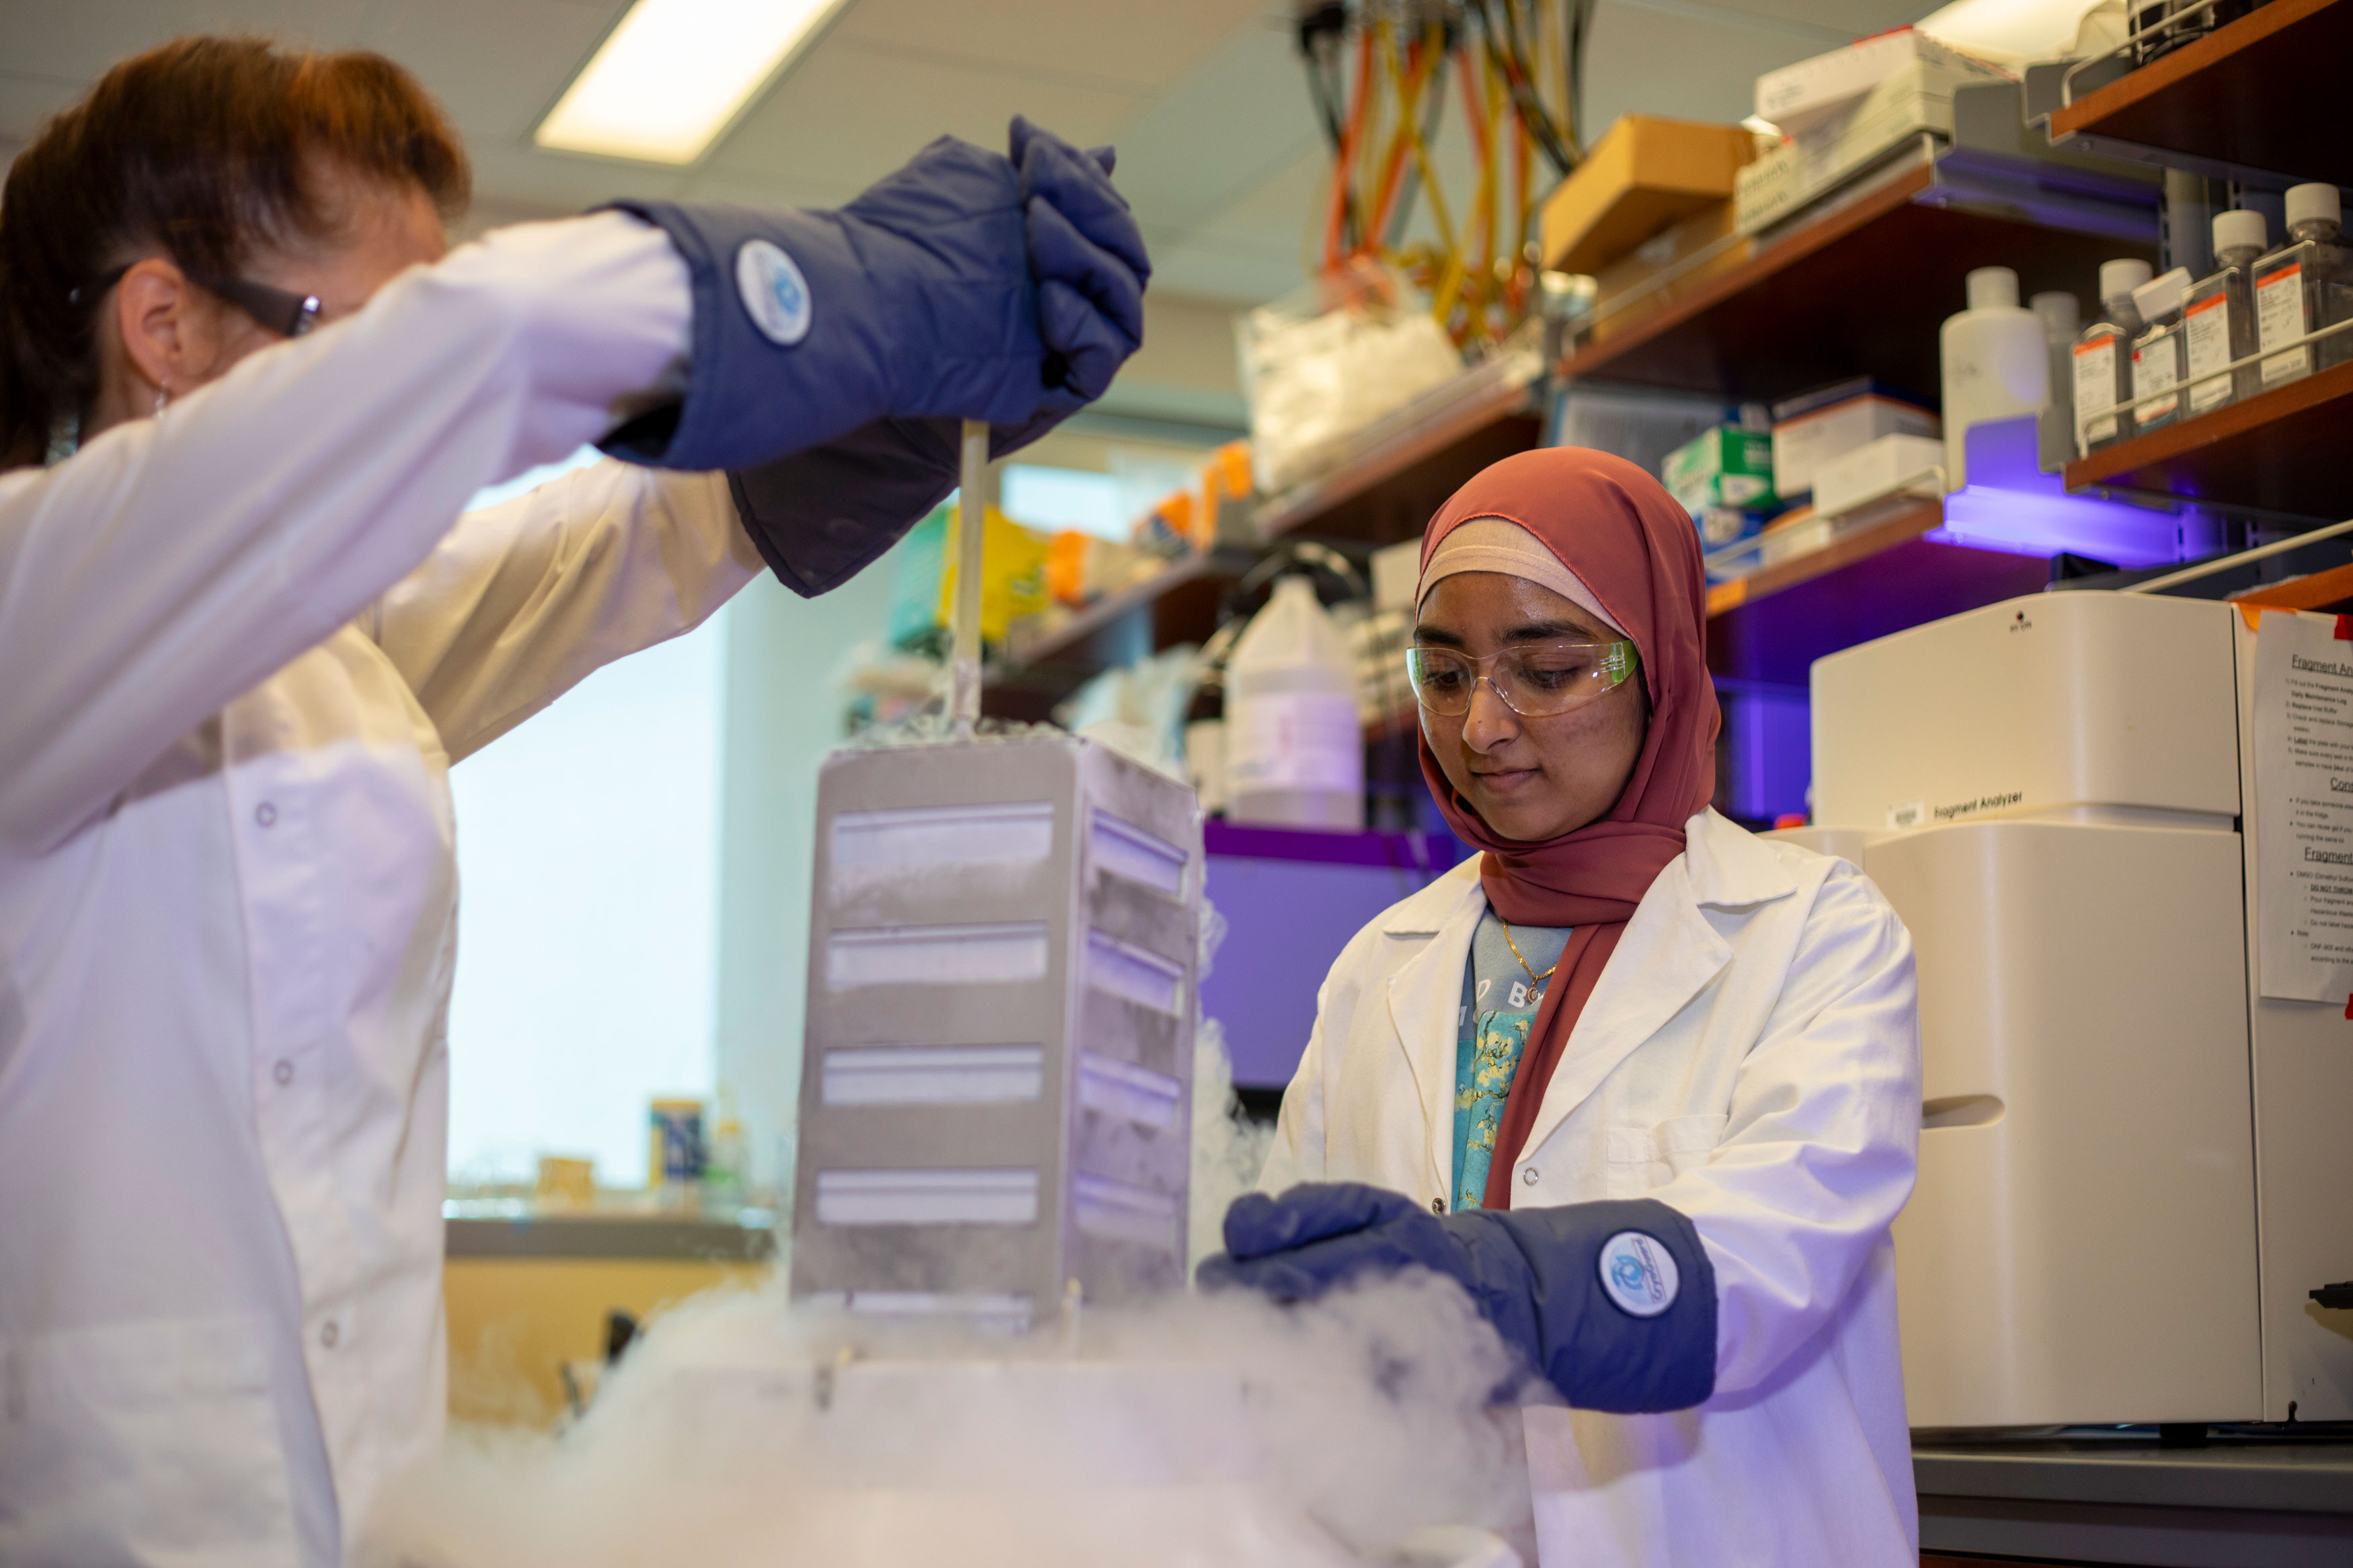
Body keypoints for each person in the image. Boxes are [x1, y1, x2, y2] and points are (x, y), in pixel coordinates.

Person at [0, 36, 1146, 1568]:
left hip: (365, 1511)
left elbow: (591, 548)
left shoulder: (328, 657)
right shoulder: (33, 608)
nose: (422, 441)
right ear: (167, 327)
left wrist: (877, 402)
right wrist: (831, 290)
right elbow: (492, 342)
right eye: (362, 350)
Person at [1199, 448, 1922, 1567]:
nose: (1483, 725)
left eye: (1545, 669)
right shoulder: (1379, 966)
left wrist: (1488, 1285)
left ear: (1660, 666)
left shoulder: (1813, 931)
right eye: (1443, 676)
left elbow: (1769, 1257)